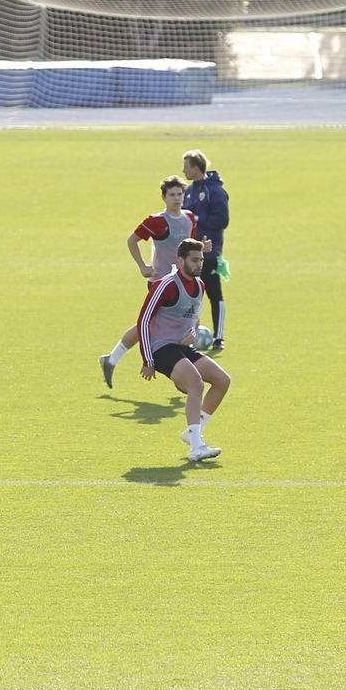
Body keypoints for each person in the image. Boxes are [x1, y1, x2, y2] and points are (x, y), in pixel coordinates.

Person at [99, 175, 211, 387]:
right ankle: (181, 377)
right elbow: (132, 240)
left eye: (180, 194)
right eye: (172, 195)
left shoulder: (190, 218)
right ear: (164, 198)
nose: (177, 199)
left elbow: (189, 245)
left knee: (155, 326)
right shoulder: (157, 221)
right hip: (162, 282)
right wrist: (142, 266)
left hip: (184, 282)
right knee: (148, 325)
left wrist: (201, 248)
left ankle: (112, 360)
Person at [137, 238, 230, 463]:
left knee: (222, 380)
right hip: (160, 349)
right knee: (196, 384)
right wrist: (147, 360)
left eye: (201, 260)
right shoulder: (165, 285)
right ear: (180, 261)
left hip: (181, 347)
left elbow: (193, 318)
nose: (199, 264)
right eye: (194, 260)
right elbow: (143, 320)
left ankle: (192, 433)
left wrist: (192, 335)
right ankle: (197, 447)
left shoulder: (200, 286)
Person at [181, 149, 229, 352]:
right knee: (190, 296)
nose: (183, 170)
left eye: (186, 166)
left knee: (214, 294)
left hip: (209, 253)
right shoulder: (190, 190)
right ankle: (187, 334)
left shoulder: (214, 191)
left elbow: (223, 220)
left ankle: (219, 337)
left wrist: (200, 219)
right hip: (189, 253)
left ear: (195, 167)